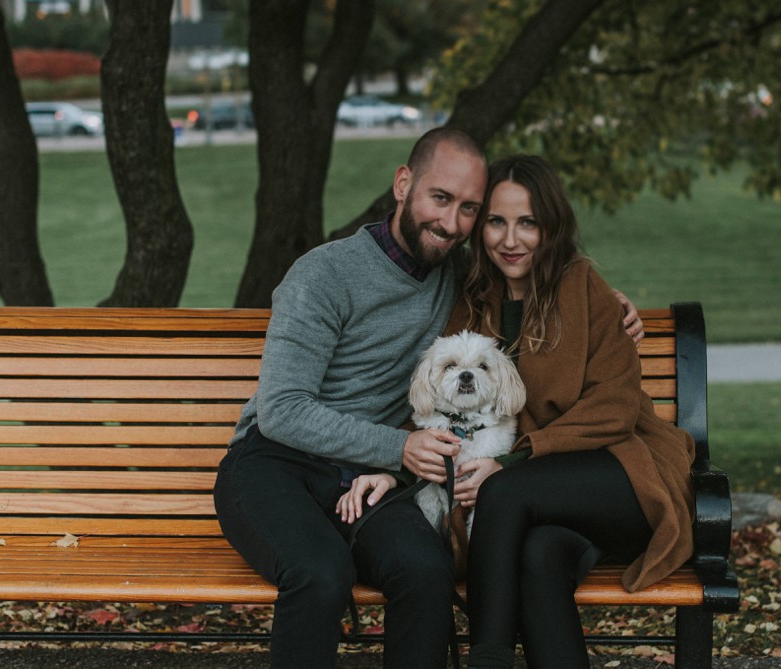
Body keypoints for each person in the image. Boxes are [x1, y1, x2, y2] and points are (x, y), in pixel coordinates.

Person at [215, 131, 643, 669]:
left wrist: (611, 301)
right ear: (403, 185)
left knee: (425, 570)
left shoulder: (459, 277)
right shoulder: (323, 274)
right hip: (275, 463)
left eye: (468, 209)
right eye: (440, 199)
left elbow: (531, 277)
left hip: (371, 479)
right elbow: (281, 411)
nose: (450, 223)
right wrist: (400, 447)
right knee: (320, 573)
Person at [450, 155, 697, 668]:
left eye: (528, 223)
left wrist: (514, 461)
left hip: (624, 476)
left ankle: (487, 659)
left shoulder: (581, 287)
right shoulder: (474, 301)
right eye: (497, 221)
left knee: (503, 489)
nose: (510, 239)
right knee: (540, 555)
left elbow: (616, 408)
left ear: (551, 226)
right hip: (544, 503)